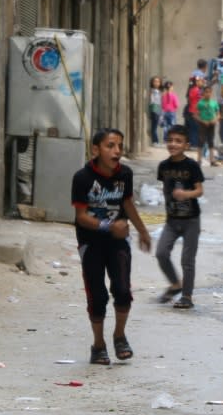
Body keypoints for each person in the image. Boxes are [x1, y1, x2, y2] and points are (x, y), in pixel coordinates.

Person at [71, 128, 151, 365]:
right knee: (97, 295)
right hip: (91, 244)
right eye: (110, 146)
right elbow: (81, 216)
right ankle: (98, 345)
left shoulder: (124, 174)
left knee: (123, 290)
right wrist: (108, 226)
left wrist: (142, 231)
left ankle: (119, 335)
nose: (116, 151)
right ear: (96, 150)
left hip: (118, 243)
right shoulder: (82, 178)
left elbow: (127, 203)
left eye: (120, 146)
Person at [156, 124, 205, 309]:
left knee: (187, 260)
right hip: (172, 219)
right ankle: (175, 284)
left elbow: (200, 191)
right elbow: (165, 188)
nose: (173, 144)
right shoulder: (163, 166)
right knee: (161, 253)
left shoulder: (192, 166)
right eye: (170, 140)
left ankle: (187, 296)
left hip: (191, 220)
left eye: (178, 141)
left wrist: (186, 194)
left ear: (186, 144)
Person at [194, 85, 220, 166]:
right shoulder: (200, 103)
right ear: (203, 93)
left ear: (211, 93)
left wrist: (215, 120)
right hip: (203, 125)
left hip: (212, 124)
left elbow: (218, 114)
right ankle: (199, 160)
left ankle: (212, 160)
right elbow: (195, 115)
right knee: (201, 141)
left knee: (211, 142)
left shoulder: (214, 103)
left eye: (209, 92)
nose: (208, 94)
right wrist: (202, 121)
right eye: (206, 92)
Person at [184, 76, 202, 148]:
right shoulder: (197, 90)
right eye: (200, 81)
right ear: (196, 82)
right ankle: (194, 144)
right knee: (196, 129)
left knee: (192, 129)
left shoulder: (191, 90)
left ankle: (192, 144)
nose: (201, 82)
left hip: (190, 112)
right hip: (195, 112)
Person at [148, 76, 162, 146]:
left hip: (158, 109)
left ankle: (155, 141)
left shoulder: (159, 91)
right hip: (154, 109)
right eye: (155, 81)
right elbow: (152, 101)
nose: (157, 83)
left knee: (155, 126)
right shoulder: (152, 91)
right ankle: (155, 141)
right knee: (154, 126)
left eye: (158, 81)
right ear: (152, 82)